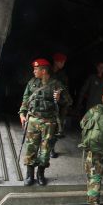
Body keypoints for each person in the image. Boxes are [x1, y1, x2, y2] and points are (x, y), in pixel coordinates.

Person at [18, 58, 66, 186]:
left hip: (49, 122)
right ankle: (29, 175)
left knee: (45, 150)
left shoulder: (56, 84)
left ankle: (40, 174)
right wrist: (22, 113)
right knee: (31, 148)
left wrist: (60, 98)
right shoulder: (32, 83)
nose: (34, 71)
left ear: (44, 71)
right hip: (33, 120)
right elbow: (25, 99)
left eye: (36, 69)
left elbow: (68, 102)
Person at [48, 52, 73, 158]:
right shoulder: (47, 72)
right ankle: (44, 147)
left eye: (64, 62)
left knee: (57, 127)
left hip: (59, 103)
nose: (63, 63)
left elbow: (65, 89)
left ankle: (51, 149)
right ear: (56, 61)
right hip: (47, 103)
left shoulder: (63, 75)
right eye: (61, 61)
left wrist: (65, 102)